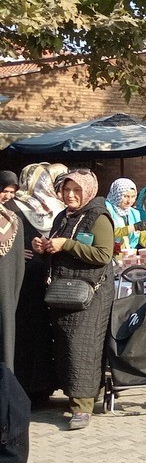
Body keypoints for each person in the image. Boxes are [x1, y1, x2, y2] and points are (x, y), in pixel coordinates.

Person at [33, 170, 114, 429]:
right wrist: (44, 247)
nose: (70, 195)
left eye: (76, 190)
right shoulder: (62, 216)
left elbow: (103, 254)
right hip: (64, 293)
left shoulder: (98, 217)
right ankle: (74, 395)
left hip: (90, 295)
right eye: (66, 190)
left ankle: (83, 406)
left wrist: (66, 244)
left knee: (84, 347)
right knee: (66, 346)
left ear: (88, 191)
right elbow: (59, 247)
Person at [8, 165, 60, 404]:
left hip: (38, 279)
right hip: (22, 281)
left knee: (36, 333)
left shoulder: (55, 207)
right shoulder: (12, 207)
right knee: (28, 334)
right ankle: (29, 389)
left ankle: (39, 387)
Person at [0, 174, 24, 369]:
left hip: (4, 290)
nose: (7, 196)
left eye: (11, 192)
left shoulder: (13, 219)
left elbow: (18, 265)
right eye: (4, 191)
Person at [104, 178, 146, 251]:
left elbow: (142, 236)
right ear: (117, 194)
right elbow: (108, 233)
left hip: (130, 256)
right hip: (111, 255)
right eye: (125, 196)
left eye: (133, 197)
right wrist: (133, 227)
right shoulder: (106, 210)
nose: (129, 201)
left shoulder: (134, 213)